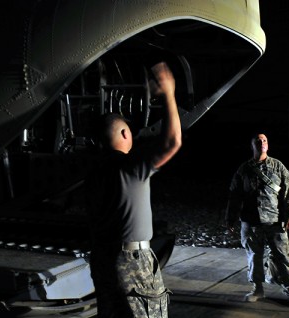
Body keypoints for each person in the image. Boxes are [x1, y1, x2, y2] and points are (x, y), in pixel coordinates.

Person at [85, 61, 182, 318]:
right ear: (125, 134)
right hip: (131, 260)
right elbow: (172, 142)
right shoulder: (128, 167)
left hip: (103, 258)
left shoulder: (93, 173)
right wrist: (169, 94)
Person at [225, 133, 289, 307]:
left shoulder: (278, 167)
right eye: (258, 141)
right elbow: (235, 196)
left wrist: (288, 216)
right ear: (252, 145)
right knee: (254, 256)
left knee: (282, 256)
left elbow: (287, 194)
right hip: (250, 221)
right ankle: (257, 289)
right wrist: (230, 219)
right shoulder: (244, 169)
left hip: (275, 221)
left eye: (265, 141)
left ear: (268, 145)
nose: (262, 143)